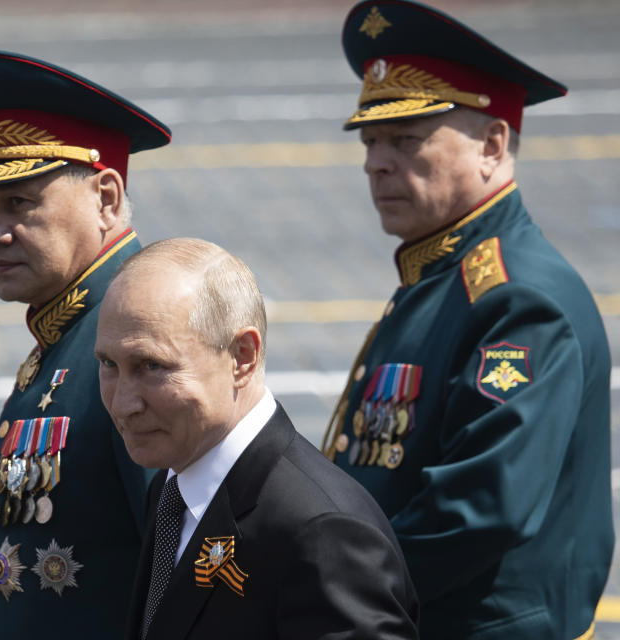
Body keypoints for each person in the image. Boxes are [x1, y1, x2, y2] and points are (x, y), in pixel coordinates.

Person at [320, 2, 614, 638]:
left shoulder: (518, 301)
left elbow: (479, 509)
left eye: (407, 138)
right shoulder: (442, 276)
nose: (376, 162)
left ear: (493, 145)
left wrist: (330, 585)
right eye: (371, 141)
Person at [0, 50, 171, 640]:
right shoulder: (71, 328)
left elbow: (185, 571)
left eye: (20, 203)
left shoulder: (138, 334)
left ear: (106, 199)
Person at [95, 237, 419, 640]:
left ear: (242, 357)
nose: (124, 404)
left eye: (152, 366)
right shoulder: (172, 489)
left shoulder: (322, 533)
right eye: (109, 364)